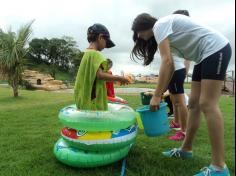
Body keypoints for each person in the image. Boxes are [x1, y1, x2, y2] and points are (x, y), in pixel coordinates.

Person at [131, 10, 232, 176]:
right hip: (203, 56)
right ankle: (186, 149)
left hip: (216, 48)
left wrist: (157, 95)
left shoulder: (159, 25)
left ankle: (219, 167)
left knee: (207, 104)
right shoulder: (163, 34)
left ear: (142, 28)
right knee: (193, 104)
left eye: (138, 33)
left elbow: (167, 61)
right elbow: (169, 67)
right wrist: (160, 92)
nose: (139, 37)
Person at [74, 23, 130, 111]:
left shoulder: (87, 54)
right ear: (100, 37)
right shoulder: (96, 54)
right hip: (94, 102)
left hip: (84, 98)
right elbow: (100, 76)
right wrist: (120, 78)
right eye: (106, 42)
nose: (105, 46)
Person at [167, 9, 191, 141]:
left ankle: (184, 131)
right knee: (173, 100)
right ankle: (176, 122)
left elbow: (187, 57)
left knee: (180, 102)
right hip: (173, 70)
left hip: (178, 70)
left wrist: (185, 72)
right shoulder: (174, 34)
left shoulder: (186, 35)